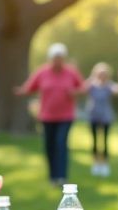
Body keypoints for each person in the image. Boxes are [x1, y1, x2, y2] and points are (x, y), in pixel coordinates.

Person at [15, 43, 84, 186]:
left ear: (63, 58)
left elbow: (82, 88)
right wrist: (20, 91)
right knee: (50, 146)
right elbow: (29, 87)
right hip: (47, 116)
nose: (57, 60)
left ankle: (62, 177)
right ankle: (53, 176)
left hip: (66, 116)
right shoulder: (42, 72)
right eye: (55, 57)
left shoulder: (71, 72)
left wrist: (74, 92)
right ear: (50, 58)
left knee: (61, 143)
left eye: (60, 57)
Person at [85, 62, 118, 177]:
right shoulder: (91, 85)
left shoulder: (109, 85)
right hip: (93, 116)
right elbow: (80, 88)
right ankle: (95, 164)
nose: (102, 76)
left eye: (104, 73)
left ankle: (104, 164)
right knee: (94, 141)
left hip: (106, 117)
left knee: (104, 141)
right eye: (100, 73)